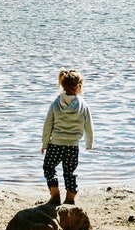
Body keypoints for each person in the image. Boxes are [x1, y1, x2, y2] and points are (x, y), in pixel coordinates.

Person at [40, 68, 94, 205]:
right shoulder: (82, 104)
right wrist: (89, 143)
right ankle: (70, 198)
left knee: (48, 167)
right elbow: (89, 126)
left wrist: (44, 144)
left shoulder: (55, 103)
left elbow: (48, 125)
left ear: (63, 85)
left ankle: (55, 194)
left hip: (56, 144)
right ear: (78, 87)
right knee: (69, 171)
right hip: (73, 145)